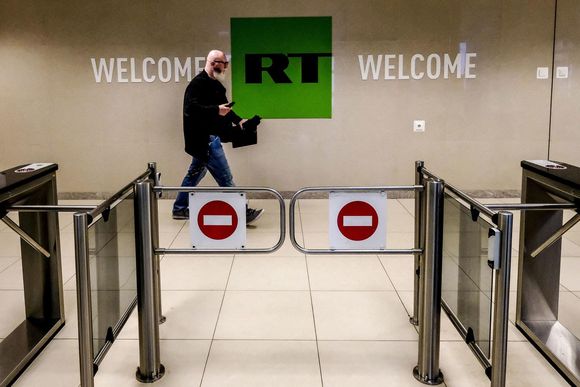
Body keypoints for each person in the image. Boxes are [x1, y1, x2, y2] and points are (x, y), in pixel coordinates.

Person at [172, 49, 264, 224]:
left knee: (194, 173)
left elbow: (225, 109)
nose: (226, 67)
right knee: (225, 178)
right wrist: (216, 110)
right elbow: (190, 110)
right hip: (205, 139)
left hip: (211, 137)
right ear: (214, 63)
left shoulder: (217, 86)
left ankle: (179, 208)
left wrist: (240, 121)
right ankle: (242, 212)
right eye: (224, 63)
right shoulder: (197, 84)